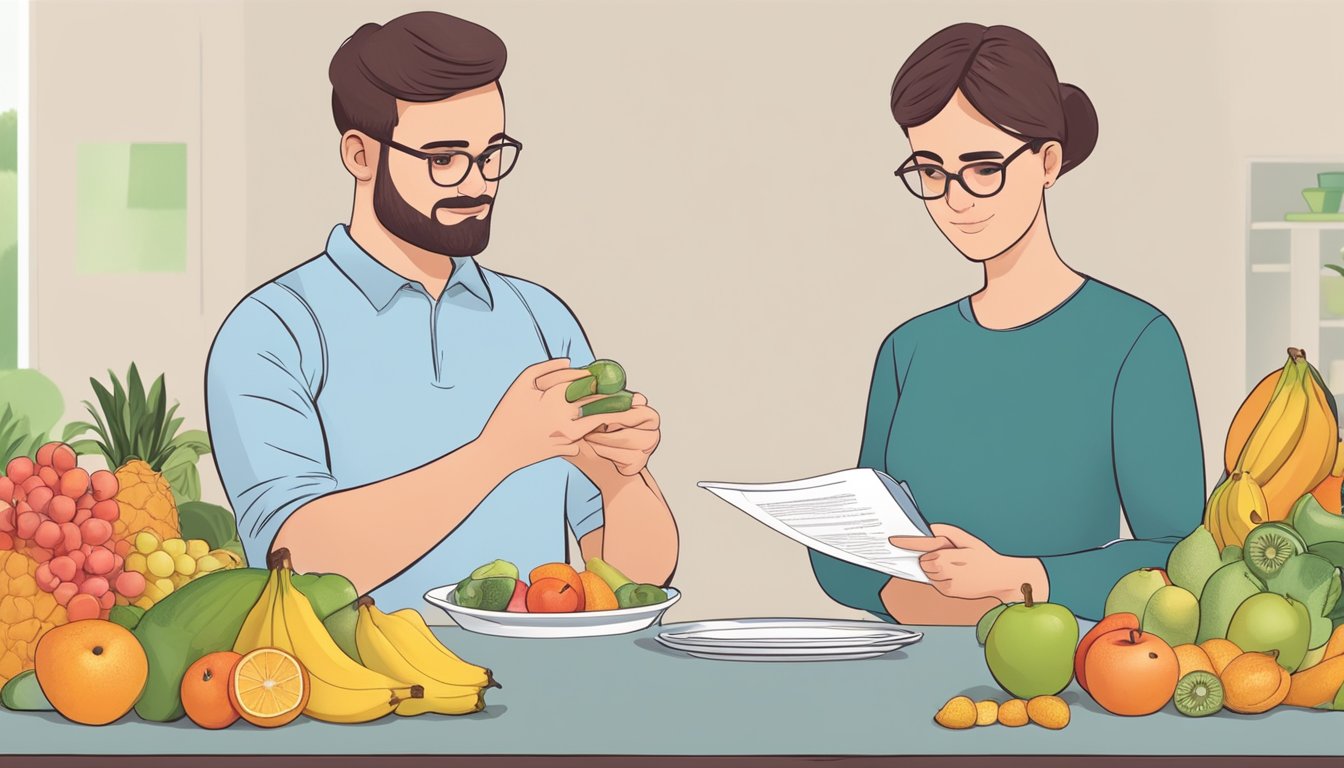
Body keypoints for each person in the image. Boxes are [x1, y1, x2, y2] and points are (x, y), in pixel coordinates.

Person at [205, 11, 678, 610]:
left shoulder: (541, 318)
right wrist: (497, 451)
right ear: (359, 154)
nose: (479, 183)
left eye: (492, 154)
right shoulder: (273, 329)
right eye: (445, 158)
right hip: (354, 685)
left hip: (547, 679)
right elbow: (293, 565)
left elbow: (634, 577)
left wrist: (621, 475)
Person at [809, 23, 1205, 624]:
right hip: (906, 658)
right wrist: (936, 600)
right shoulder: (909, 349)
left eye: (983, 166)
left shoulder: (1135, 340)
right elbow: (850, 551)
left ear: (1048, 162)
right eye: (931, 171)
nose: (956, 199)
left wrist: (1021, 578)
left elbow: (1182, 557)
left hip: (1064, 673)